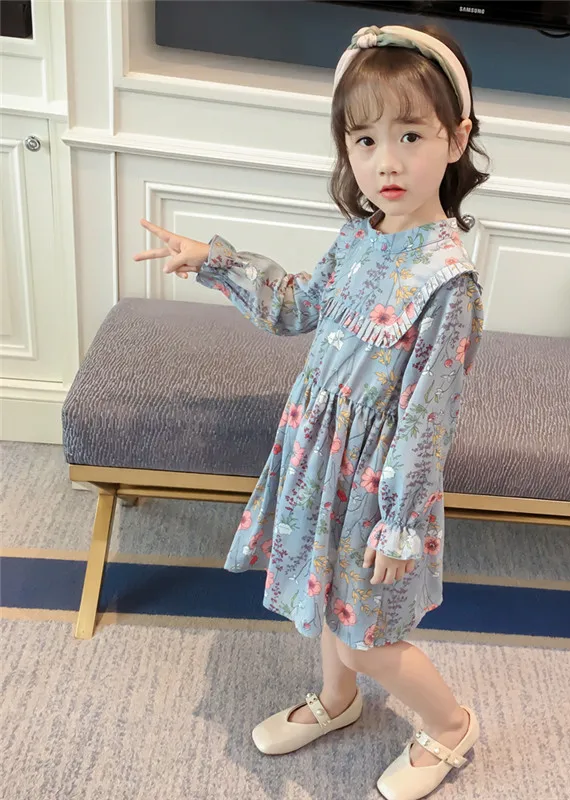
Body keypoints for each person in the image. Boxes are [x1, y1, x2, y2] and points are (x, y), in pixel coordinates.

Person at [134, 24, 488, 800]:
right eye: (365, 140)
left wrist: (400, 522)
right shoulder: (359, 238)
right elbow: (296, 306)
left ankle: (452, 724)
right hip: (319, 460)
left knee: (367, 636)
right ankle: (337, 699)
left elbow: (427, 419)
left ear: (456, 139)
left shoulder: (448, 283)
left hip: (375, 487)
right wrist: (216, 262)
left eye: (410, 135)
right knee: (324, 597)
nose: (386, 161)